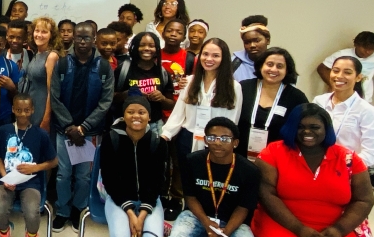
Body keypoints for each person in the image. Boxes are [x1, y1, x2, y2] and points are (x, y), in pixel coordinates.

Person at [253, 104, 374, 237]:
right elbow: (266, 194)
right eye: (300, 127)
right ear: (291, 128)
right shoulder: (273, 152)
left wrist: (339, 229)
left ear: (326, 128)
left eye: (315, 127)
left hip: (335, 226)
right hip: (283, 222)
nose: (307, 132)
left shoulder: (348, 158)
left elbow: (365, 199)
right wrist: (300, 229)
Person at [100, 95, 167, 237]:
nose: (136, 116)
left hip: (149, 202)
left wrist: (142, 214)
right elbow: (110, 180)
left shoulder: (158, 142)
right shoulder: (111, 139)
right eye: (130, 112)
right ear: (123, 115)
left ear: (149, 116)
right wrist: (130, 212)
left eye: (141, 112)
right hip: (119, 200)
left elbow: (158, 182)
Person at [49, 21, 114, 233]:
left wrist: (84, 128)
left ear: (94, 38)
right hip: (64, 130)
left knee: (84, 176)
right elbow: (55, 97)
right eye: (79, 37)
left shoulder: (103, 66)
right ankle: (63, 211)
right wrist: (69, 126)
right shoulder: (62, 63)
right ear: (73, 38)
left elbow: (106, 101)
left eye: (87, 37)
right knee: (63, 174)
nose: (83, 41)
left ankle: (78, 209)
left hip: (89, 133)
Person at [0, 94, 57, 237]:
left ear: (32, 110)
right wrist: (5, 177)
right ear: (13, 110)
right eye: (18, 110)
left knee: (32, 212)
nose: (22, 114)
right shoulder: (3, 131)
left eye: (27, 110)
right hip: (7, 182)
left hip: (30, 183)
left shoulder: (40, 134)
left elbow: (54, 161)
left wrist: (34, 168)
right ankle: (4, 234)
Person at [313, 56, 374, 197]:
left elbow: (371, 153)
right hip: (316, 169)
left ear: (359, 77)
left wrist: (345, 168)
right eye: (335, 71)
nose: (339, 76)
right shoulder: (319, 102)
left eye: (347, 72)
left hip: (348, 174)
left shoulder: (366, 110)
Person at [163, 38, 241, 168]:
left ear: (224, 58)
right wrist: (166, 135)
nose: (209, 59)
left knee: (209, 182)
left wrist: (224, 142)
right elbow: (178, 113)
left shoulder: (233, 87)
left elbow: (233, 120)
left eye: (215, 56)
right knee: (185, 180)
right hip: (187, 139)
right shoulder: (189, 81)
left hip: (216, 142)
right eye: (205, 54)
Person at [237, 48, 309, 160]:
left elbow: (301, 131)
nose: (273, 69)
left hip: (277, 160)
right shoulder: (243, 88)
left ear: (287, 70)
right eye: (269, 64)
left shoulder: (296, 97)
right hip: (240, 158)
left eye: (280, 66)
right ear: (261, 65)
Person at [111, 32, 174, 132]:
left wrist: (162, 98)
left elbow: (171, 104)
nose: (147, 48)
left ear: (157, 49)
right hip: (126, 125)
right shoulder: (123, 69)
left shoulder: (162, 72)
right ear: (135, 47)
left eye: (151, 46)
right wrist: (127, 94)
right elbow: (110, 97)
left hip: (154, 126)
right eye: (142, 45)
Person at [317, 31, 374, 108]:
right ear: (356, 44)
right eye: (365, 48)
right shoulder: (342, 54)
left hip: (365, 99)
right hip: (341, 97)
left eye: (372, 49)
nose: (368, 52)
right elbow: (322, 68)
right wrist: (332, 85)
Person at [18, 16, 63, 132]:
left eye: (44, 32)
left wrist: (46, 119)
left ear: (51, 35)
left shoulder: (51, 56)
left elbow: (51, 91)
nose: (39, 35)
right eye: (37, 31)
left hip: (42, 109)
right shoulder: (36, 53)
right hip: (31, 106)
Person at [231, 15, 270, 82]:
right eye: (247, 42)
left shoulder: (276, 63)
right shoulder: (233, 63)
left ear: (268, 40)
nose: (252, 45)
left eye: (257, 41)